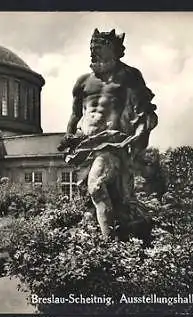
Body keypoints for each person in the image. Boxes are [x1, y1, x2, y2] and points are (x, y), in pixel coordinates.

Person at [58, 29, 158, 241]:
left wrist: (139, 135)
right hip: (86, 147)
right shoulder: (83, 81)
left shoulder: (129, 76)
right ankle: (118, 236)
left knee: (96, 186)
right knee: (98, 199)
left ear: (113, 49)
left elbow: (145, 112)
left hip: (113, 143)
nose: (93, 53)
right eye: (91, 49)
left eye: (98, 48)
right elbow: (75, 114)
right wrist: (69, 137)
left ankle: (108, 246)